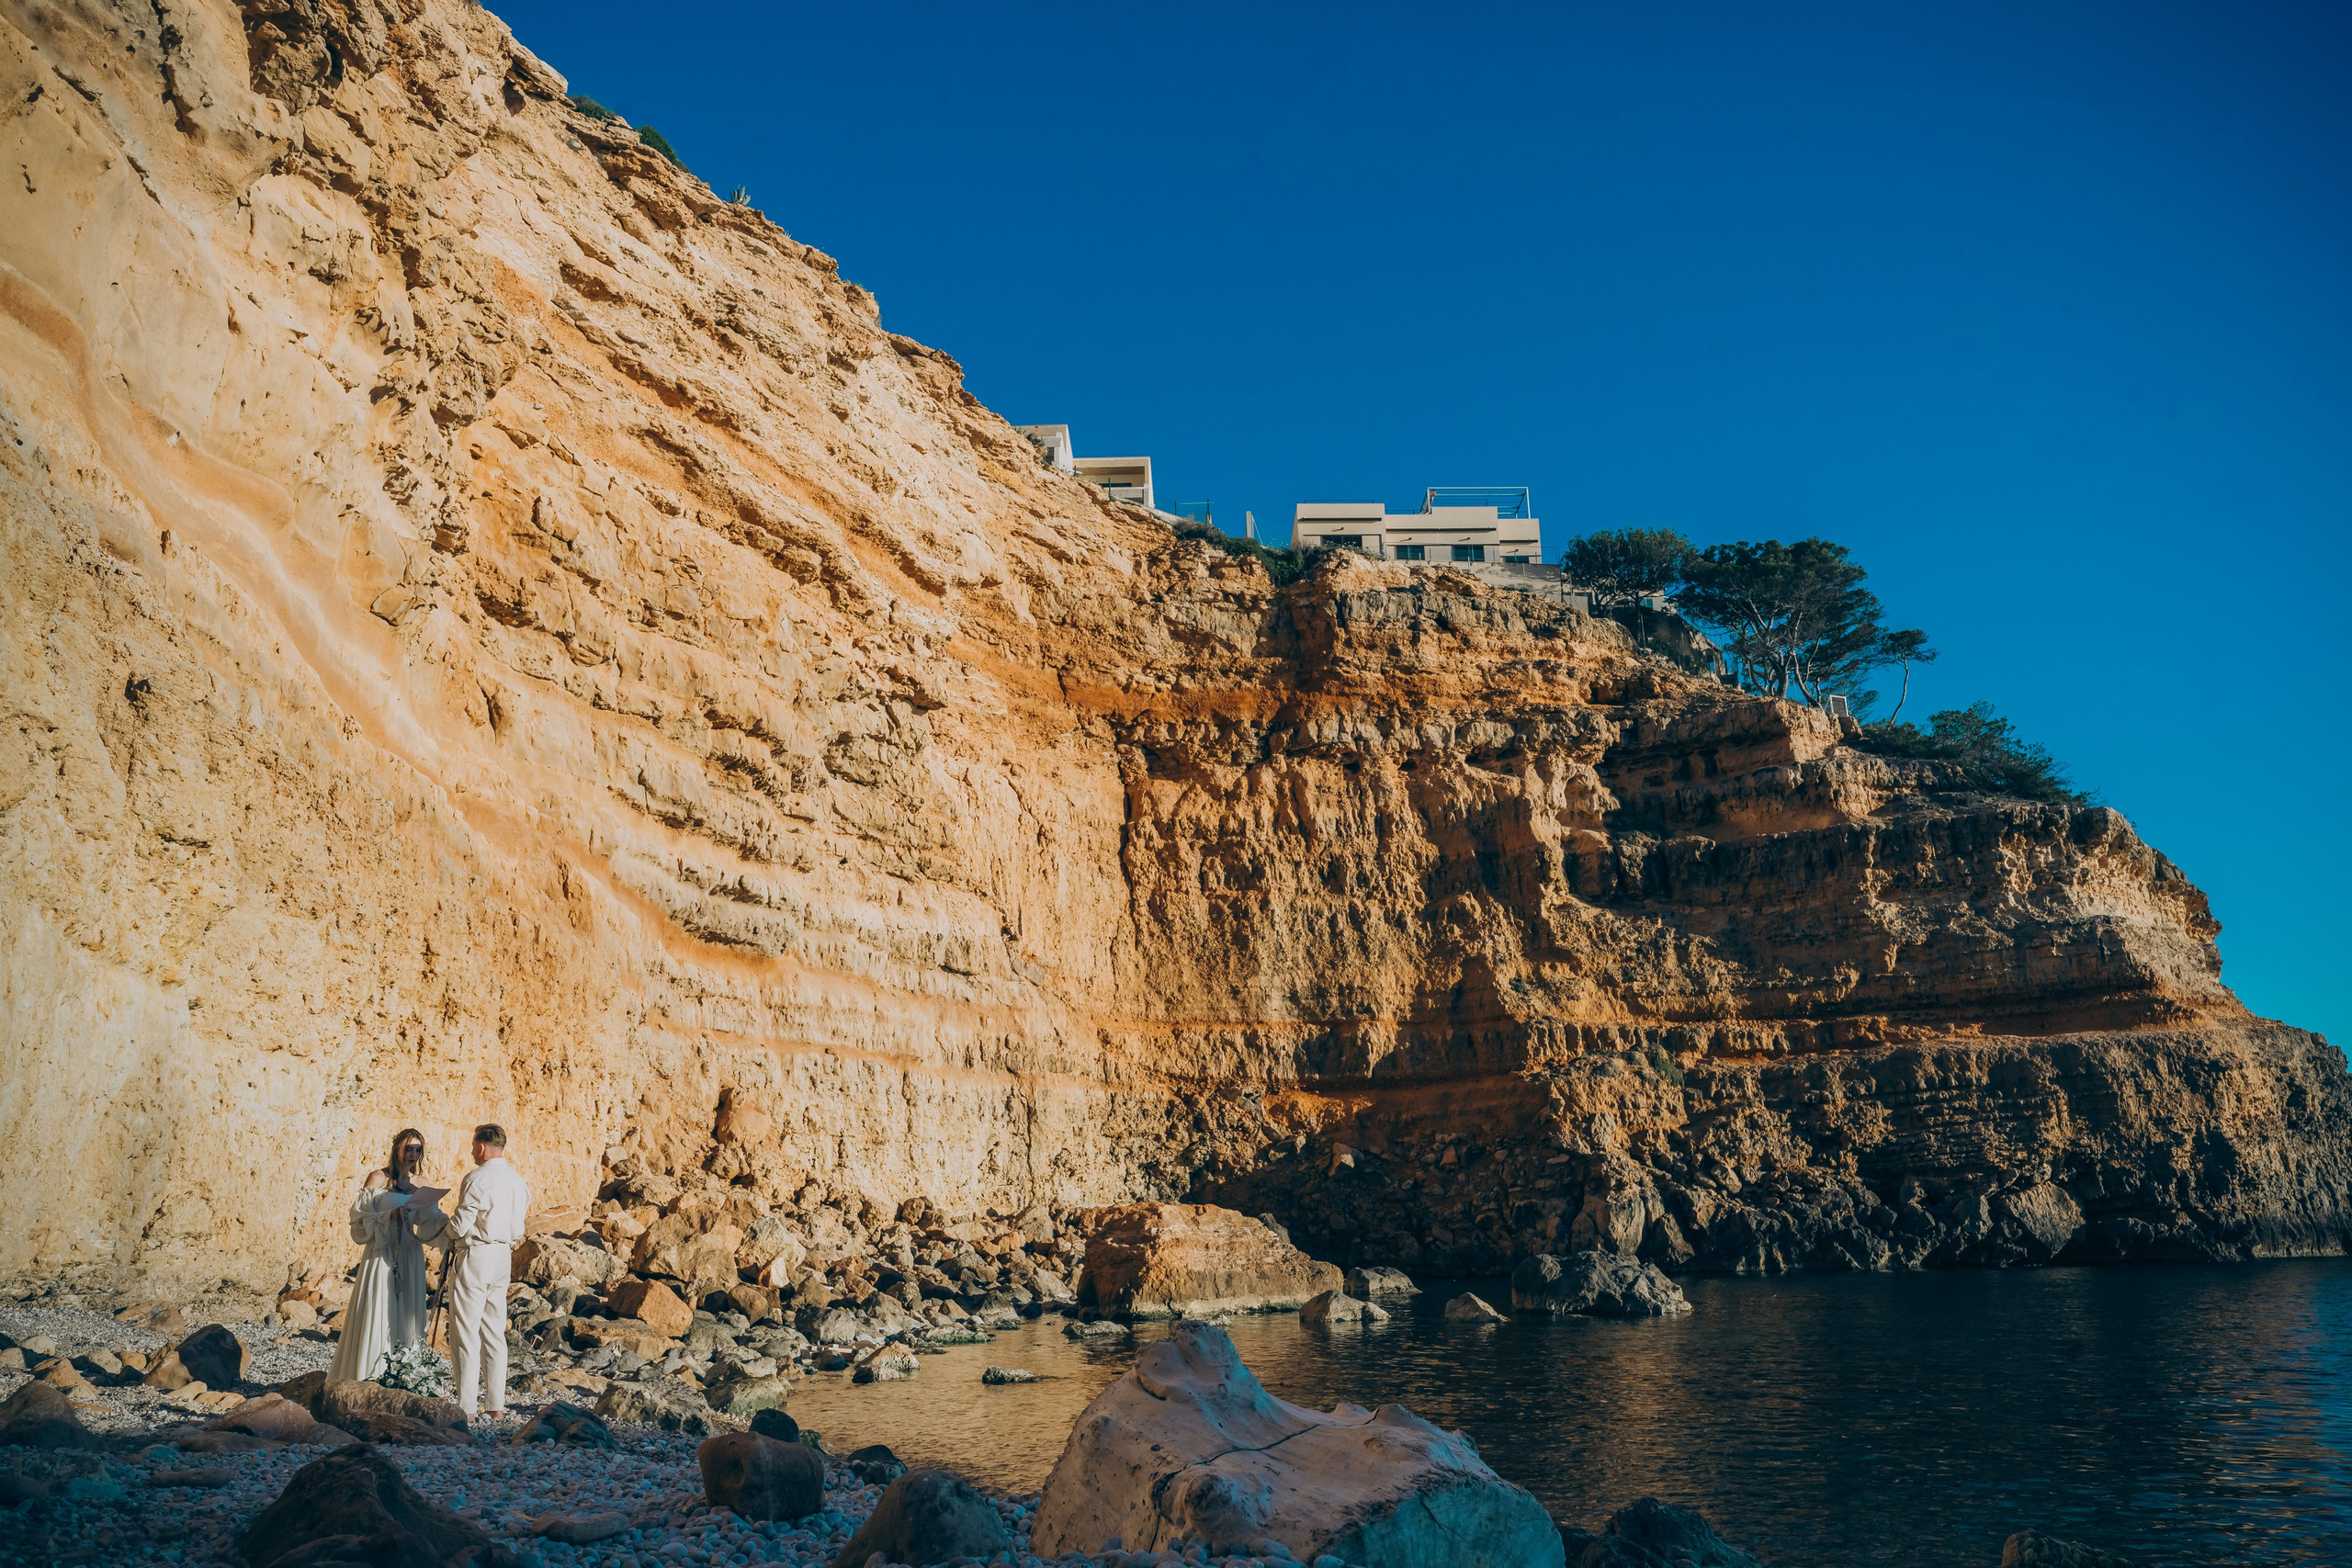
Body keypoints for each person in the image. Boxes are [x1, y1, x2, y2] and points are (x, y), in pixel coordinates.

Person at [327, 1127, 450, 1384]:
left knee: (408, 1312)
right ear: (397, 1149)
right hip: (380, 1253)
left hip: (409, 1254)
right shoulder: (377, 1179)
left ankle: (405, 1375)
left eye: (418, 1149)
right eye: (409, 1148)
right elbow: (359, 1222)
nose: (413, 1154)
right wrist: (389, 1216)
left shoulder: (421, 1183)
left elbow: (429, 1221)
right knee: (377, 1306)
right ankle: (367, 1374)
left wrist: (452, 1226)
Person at [446, 1122, 530, 1418]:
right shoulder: (518, 1181)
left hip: (477, 1255)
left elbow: (460, 1225)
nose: (471, 1151)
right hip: (503, 1257)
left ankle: (467, 1408)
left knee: (466, 1332)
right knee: (494, 1331)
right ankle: (496, 1406)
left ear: (481, 1147)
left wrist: (446, 1229)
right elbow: (519, 1226)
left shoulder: (476, 1179)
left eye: (473, 1146)